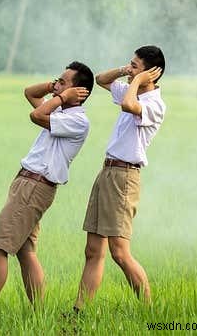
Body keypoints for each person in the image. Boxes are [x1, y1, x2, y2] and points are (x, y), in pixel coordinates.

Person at [0, 62, 94, 308]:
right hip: (29, 184)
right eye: (57, 81)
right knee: (25, 251)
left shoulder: (77, 121)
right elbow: (30, 93)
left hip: (34, 186)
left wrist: (62, 96)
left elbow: (36, 115)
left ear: (79, 92)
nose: (56, 86)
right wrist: (57, 88)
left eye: (63, 82)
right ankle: (39, 313)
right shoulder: (60, 112)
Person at [73, 46, 166, 311]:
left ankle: (150, 312)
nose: (129, 69)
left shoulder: (154, 104)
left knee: (119, 252)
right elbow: (101, 79)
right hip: (108, 171)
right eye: (130, 64)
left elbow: (128, 105)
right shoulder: (131, 88)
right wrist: (128, 71)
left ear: (150, 74)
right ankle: (79, 311)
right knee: (93, 250)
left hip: (125, 176)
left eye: (135, 65)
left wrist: (137, 80)